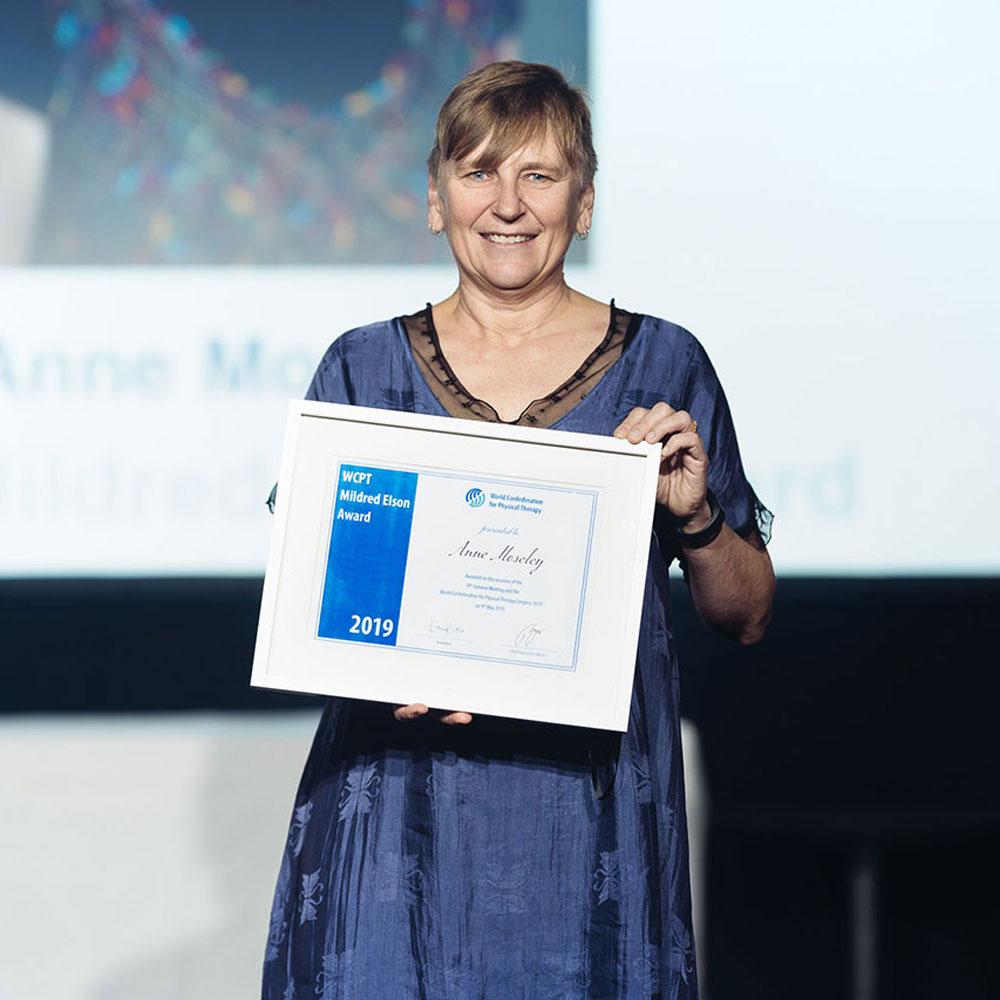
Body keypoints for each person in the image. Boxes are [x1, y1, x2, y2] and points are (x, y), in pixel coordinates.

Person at [261, 61, 775, 1000]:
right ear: (433, 200)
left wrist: (697, 518)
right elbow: (310, 599)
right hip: (394, 830)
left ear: (583, 204)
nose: (507, 204)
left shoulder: (666, 363)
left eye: (539, 176)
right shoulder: (361, 368)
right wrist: (375, 661)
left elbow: (745, 615)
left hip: (588, 825)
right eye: (477, 173)